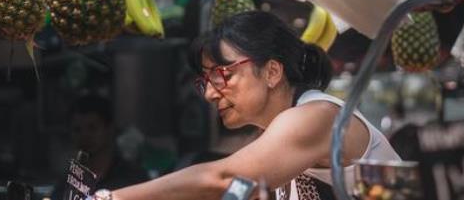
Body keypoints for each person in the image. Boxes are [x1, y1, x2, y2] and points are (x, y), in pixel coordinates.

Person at [108, 11, 400, 200]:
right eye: (205, 81)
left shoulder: (315, 117)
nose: (210, 93)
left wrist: (111, 198)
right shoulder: (275, 134)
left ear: (272, 72)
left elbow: (219, 179)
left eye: (223, 74)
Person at [51, 95, 148, 200]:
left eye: (92, 128)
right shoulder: (67, 183)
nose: (84, 136)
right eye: (77, 130)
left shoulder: (133, 178)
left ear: (109, 129)